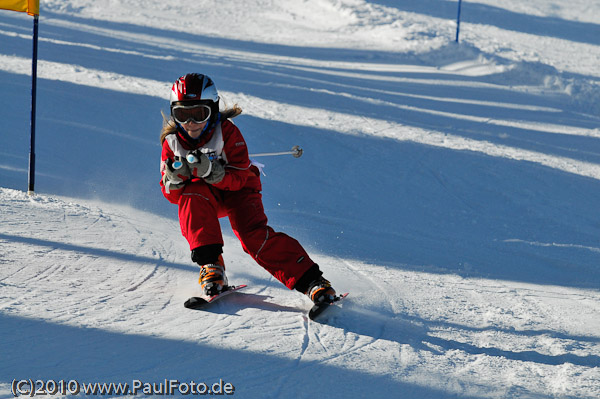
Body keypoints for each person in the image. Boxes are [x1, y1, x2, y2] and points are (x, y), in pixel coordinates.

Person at [159, 73, 337, 305]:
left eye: (199, 114)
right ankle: (211, 266)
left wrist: (212, 172)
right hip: (206, 195)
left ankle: (314, 282)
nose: (191, 123)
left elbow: (240, 178)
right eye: (183, 114)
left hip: (239, 191)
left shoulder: (227, 132)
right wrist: (174, 180)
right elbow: (173, 197)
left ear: (212, 110)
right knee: (191, 195)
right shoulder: (171, 143)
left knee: (252, 236)